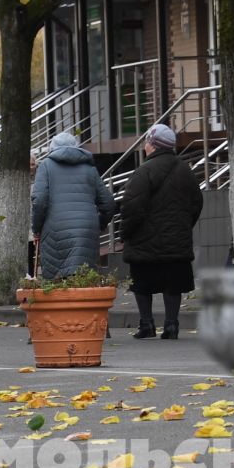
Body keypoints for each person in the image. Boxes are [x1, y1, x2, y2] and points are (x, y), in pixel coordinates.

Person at [117, 123, 202, 339]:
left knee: (143, 283)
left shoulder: (143, 172)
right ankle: (172, 324)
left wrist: (125, 232)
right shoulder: (185, 171)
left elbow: (131, 206)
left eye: (147, 142)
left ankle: (146, 324)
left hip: (144, 241)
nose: (145, 146)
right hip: (177, 240)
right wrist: (183, 226)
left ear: (153, 145)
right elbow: (196, 203)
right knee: (173, 283)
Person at [30, 130, 116, 278]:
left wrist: (36, 228)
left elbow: (39, 201)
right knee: (84, 281)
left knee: (58, 284)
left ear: (52, 148)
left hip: (55, 230)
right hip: (86, 230)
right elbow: (108, 204)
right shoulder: (90, 169)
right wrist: (99, 225)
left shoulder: (45, 166)